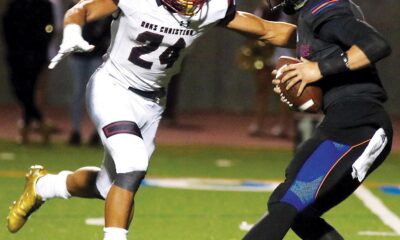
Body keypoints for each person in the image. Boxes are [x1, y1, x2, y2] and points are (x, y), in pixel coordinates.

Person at [7, 0, 297, 239]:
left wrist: (322, 36)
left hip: (153, 102)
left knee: (109, 188)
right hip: (113, 88)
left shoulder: (211, 8)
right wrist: (72, 32)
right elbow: (80, 10)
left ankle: (44, 185)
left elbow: (267, 30)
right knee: (132, 165)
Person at [243, 0, 393, 239]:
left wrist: (318, 69)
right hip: (352, 122)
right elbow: (268, 30)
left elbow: (375, 44)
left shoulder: (323, 8)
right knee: (299, 212)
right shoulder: (313, 14)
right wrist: (219, 18)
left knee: (287, 201)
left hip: (356, 124)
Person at [2, 0, 57, 144]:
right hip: (17, 54)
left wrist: (42, 43)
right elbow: (7, 26)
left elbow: (50, 27)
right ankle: (41, 121)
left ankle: (26, 128)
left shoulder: (44, 5)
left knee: (29, 88)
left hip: (35, 54)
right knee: (20, 89)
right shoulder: (15, 5)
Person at [239, 1, 295, 137]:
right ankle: (258, 123)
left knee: (282, 91)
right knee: (261, 89)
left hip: (280, 52)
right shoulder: (260, 9)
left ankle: (282, 125)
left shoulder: (286, 9)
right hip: (262, 54)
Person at [68, 12, 112, 146]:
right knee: (78, 93)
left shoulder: (106, 9)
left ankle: (96, 133)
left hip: (97, 54)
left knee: (96, 95)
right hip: (79, 55)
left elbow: (107, 32)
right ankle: (75, 130)